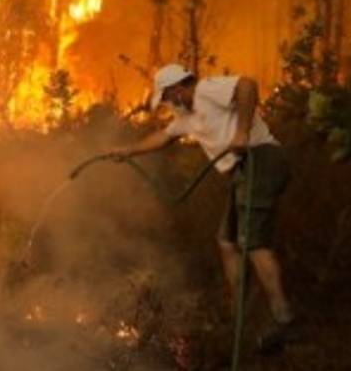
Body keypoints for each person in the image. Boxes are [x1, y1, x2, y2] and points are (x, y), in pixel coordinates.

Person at [111, 64, 294, 352]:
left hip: (261, 159)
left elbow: (247, 85)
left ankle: (284, 319)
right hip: (242, 171)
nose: (169, 104)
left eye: (168, 97)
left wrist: (242, 133)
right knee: (227, 242)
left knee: (254, 243)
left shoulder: (206, 90)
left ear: (178, 89)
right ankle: (239, 315)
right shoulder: (187, 117)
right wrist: (128, 151)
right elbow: (163, 137)